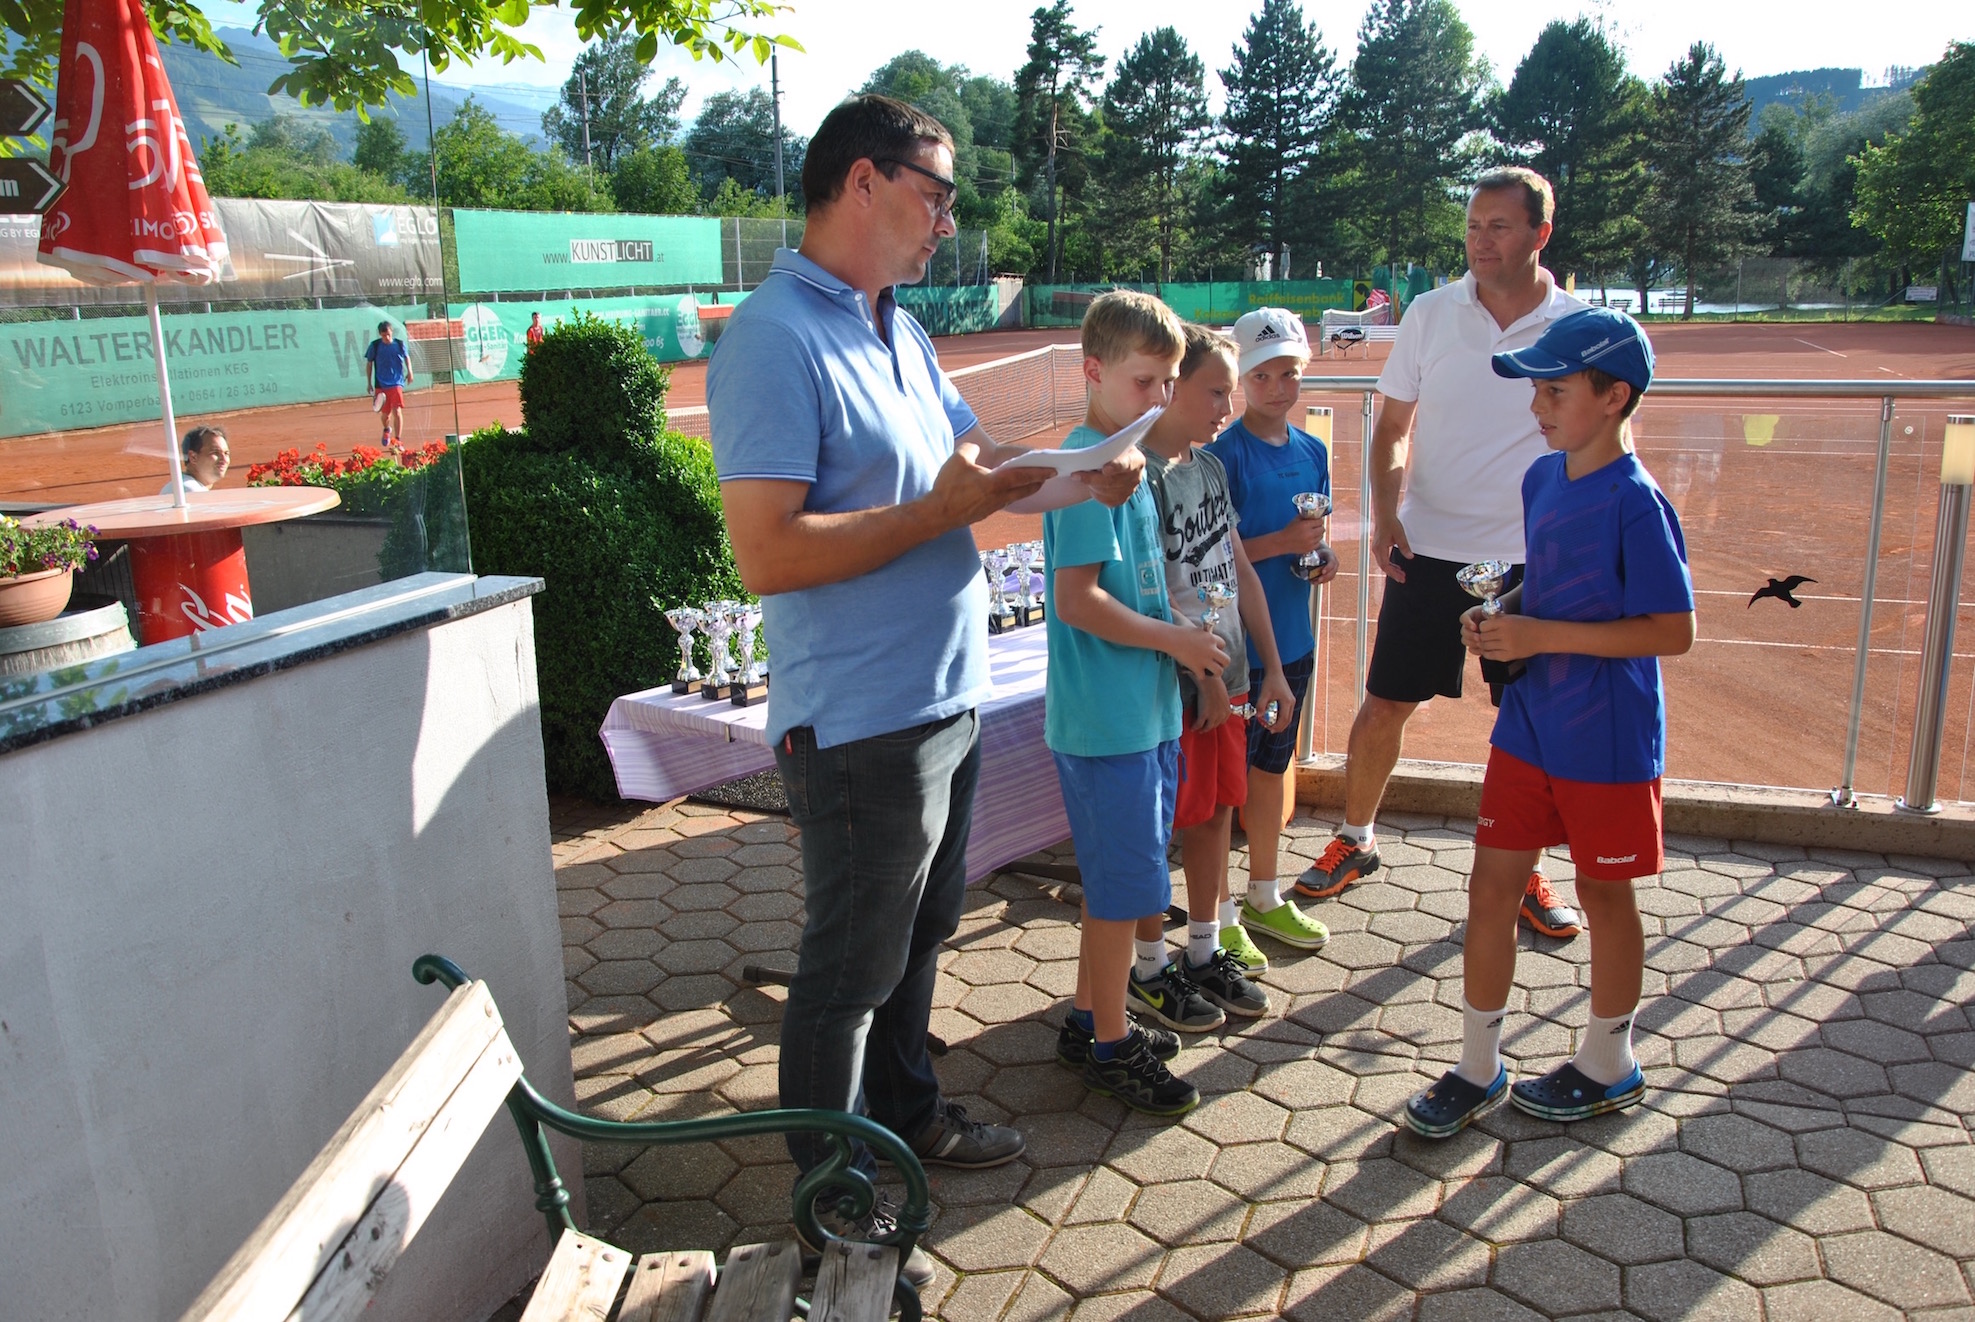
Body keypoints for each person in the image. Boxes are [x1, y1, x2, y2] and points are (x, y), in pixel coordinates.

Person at [705, 95, 1141, 1278]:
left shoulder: (892, 326)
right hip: (859, 719)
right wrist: (936, 511)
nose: (948, 221)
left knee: (919, 934)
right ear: (864, 180)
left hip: (944, 697)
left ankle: (906, 1115)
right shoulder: (772, 336)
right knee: (847, 972)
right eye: (936, 194)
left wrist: (1081, 473)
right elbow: (767, 553)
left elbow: (978, 469)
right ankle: (832, 1195)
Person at [1404, 307, 1694, 1138]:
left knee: (1603, 892)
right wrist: (1503, 613)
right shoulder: (1542, 478)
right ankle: (1476, 1066)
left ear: (1613, 396)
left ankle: (1608, 1063)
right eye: (1536, 391)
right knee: (1489, 886)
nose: (1537, 407)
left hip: (1607, 733)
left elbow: (1671, 630)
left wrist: (1538, 635)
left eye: (1555, 391)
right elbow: (1556, 586)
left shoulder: (1636, 502)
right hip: (1530, 722)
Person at [1298, 168, 1589, 941]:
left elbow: (1596, 439)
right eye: (1471, 226)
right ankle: (1355, 839)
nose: (1479, 241)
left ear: (1540, 233)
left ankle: (1524, 868)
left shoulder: (1577, 324)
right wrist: (1387, 514)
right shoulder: (1429, 313)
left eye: (1498, 226)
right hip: (1427, 551)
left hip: (1531, 561)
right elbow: (1392, 427)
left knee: (1528, 719)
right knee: (1384, 704)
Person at [1044, 289, 1227, 1115]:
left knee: (1120, 887)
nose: (1158, 398)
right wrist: (1175, 644)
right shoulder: (1085, 472)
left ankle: (1092, 1020)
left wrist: (1182, 638)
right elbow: (1076, 601)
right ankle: (1112, 1047)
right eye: (1143, 381)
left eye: (1167, 383)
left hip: (1141, 713)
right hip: (1106, 722)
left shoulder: (1129, 466)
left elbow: (1140, 587)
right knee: (1123, 892)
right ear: (1093, 371)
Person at [1133, 323, 1303, 1028]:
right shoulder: (1139, 476)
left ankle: (1203, 950)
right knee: (1156, 829)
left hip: (1228, 677)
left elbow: (1239, 573)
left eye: (1229, 393)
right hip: (1173, 685)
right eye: (1214, 392)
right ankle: (1147, 967)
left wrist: (1269, 670)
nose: (1225, 408)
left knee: (1214, 814)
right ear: (1172, 388)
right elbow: (1147, 592)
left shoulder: (1206, 467)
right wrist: (1198, 671)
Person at [1204, 308, 1339, 957]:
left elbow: (1312, 538)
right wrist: (1280, 543)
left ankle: (1264, 894)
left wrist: (1321, 557)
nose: (1278, 387)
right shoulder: (1221, 456)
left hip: (1291, 643)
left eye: (1289, 373)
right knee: (1223, 784)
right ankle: (1218, 911)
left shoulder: (1313, 450)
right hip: (1236, 651)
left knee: (1268, 771)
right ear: (1240, 378)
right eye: (1262, 375)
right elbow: (1211, 560)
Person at [363, 320, 412, 447]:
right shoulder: (375, 346)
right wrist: (369, 383)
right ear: (380, 334)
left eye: (389, 334)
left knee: (397, 411)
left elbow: (407, 358)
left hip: (396, 383)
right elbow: (369, 364)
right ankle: (386, 429)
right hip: (381, 385)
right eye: (384, 335)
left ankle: (398, 440)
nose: (387, 337)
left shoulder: (400, 344)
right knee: (385, 415)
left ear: (392, 332)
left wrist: (410, 371)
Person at [162, 425, 228, 494]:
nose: (224, 460)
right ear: (193, 457)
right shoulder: (192, 491)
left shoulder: (180, 486)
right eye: (215, 453)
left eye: (226, 453)